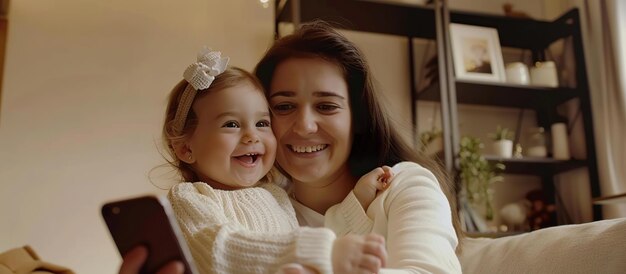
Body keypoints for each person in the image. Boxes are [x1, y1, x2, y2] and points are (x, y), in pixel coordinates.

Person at [119, 48, 391, 274]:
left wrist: (359, 200)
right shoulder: (192, 197)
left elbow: (328, 231)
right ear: (186, 149)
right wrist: (322, 252)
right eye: (231, 124)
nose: (252, 136)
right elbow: (217, 249)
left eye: (262, 122)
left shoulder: (276, 195)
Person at [254, 21, 463, 273]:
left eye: (326, 106)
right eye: (284, 106)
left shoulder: (404, 185)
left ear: (358, 119)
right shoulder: (260, 212)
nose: (304, 126)